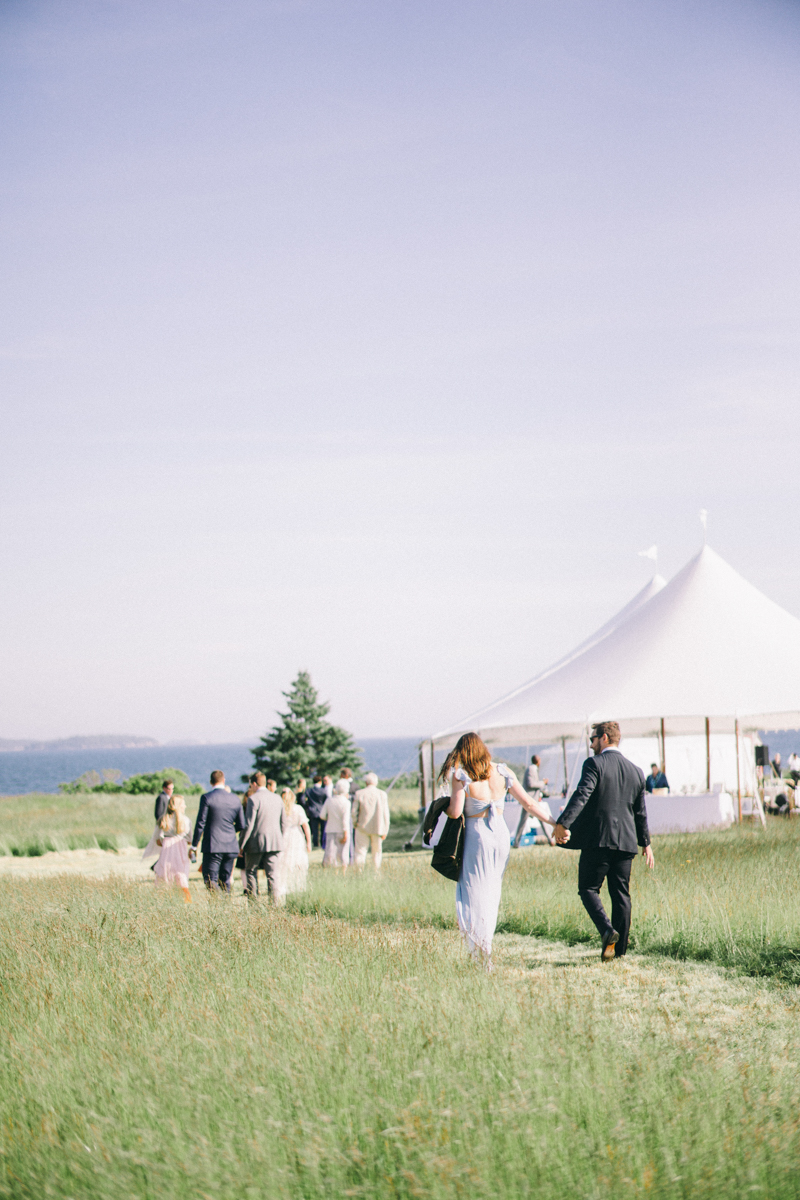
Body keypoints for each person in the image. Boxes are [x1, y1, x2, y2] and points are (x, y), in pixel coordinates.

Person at [441, 732, 558, 968]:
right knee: (492, 892)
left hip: (478, 836)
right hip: (501, 835)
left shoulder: (461, 775)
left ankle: (480, 951)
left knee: (474, 892)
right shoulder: (503, 771)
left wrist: (441, 807)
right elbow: (529, 803)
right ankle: (486, 946)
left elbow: (455, 812)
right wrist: (555, 823)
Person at [554, 721, 654, 961]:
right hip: (627, 843)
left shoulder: (594, 764)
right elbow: (640, 812)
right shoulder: (636, 771)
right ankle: (619, 954)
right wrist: (646, 843)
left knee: (588, 888)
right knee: (621, 896)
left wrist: (563, 823)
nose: (590, 744)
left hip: (598, 840)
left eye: (593, 739)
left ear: (605, 738)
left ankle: (607, 931)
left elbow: (582, 794)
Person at [191, 770, 246, 893]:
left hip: (213, 846)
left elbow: (200, 823)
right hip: (231, 846)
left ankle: (220, 902)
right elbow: (242, 824)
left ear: (211, 782)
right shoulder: (235, 799)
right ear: (224, 780)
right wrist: (231, 830)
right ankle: (225, 907)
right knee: (225, 880)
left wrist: (194, 845)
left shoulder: (207, 798)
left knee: (210, 879)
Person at [240, 772, 286, 902]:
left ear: (254, 784)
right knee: (272, 875)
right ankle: (274, 903)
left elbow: (249, 825)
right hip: (275, 841)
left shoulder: (253, 799)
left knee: (251, 872)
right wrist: (280, 837)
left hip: (256, 842)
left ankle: (254, 904)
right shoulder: (277, 798)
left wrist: (241, 845)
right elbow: (283, 822)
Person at [153, 794, 193, 902]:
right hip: (180, 850)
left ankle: (164, 900)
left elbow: (158, 840)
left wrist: (167, 841)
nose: (185, 806)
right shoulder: (186, 821)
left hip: (167, 852)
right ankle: (186, 901)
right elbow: (190, 840)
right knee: (182, 876)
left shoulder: (163, 820)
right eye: (183, 804)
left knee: (165, 876)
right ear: (179, 806)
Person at [352, 772, 390, 870]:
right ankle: (376, 873)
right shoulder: (382, 794)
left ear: (366, 782)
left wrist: (355, 823)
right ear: (376, 782)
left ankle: (359, 872)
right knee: (377, 852)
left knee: (360, 851)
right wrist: (385, 829)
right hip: (378, 827)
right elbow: (386, 814)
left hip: (362, 827)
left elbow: (353, 812)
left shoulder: (359, 793)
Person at [279, 786, 312, 894]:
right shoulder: (298, 808)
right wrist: (308, 842)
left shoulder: (281, 808)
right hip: (296, 835)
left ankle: (283, 885)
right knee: (297, 860)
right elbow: (306, 826)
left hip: (284, 835)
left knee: (285, 861)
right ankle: (297, 885)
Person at [515, 755, 553, 847]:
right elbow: (531, 784)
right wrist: (542, 783)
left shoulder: (533, 769)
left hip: (533, 800)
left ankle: (550, 840)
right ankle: (516, 842)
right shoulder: (531, 769)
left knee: (541, 819)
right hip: (529, 801)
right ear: (538, 761)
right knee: (523, 822)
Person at [320, 780, 351, 870]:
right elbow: (345, 820)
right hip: (342, 830)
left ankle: (332, 871)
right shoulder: (346, 802)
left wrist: (329, 818)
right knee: (343, 853)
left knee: (330, 852)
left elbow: (322, 815)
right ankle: (343, 872)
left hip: (330, 829)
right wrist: (346, 833)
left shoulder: (329, 800)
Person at [303, 775, 328, 849]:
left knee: (314, 829)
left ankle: (315, 844)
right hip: (322, 811)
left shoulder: (309, 790)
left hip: (313, 811)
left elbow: (302, 799)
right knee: (323, 829)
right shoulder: (324, 790)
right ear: (320, 782)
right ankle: (323, 843)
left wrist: (307, 807)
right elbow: (326, 800)